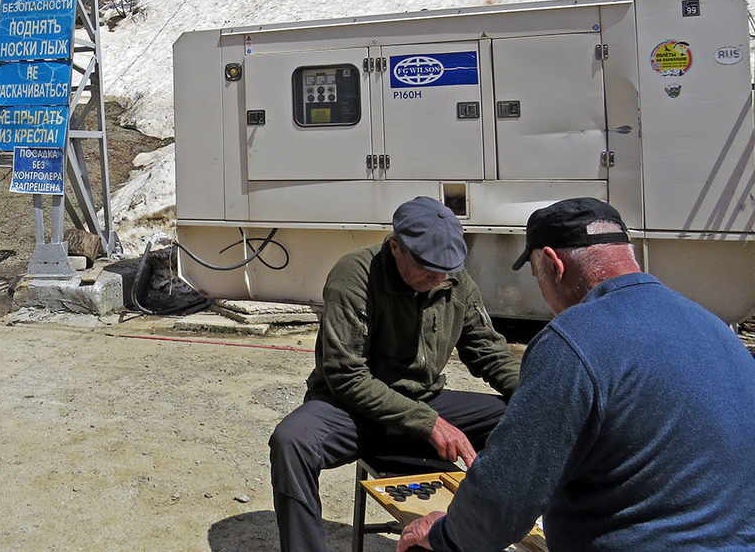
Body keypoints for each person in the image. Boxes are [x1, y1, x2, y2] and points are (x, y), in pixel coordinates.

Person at [397, 197, 755, 552]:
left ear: (553, 265)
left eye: (536, 276)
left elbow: (501, 502)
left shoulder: (574, 339)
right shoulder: (714, 329)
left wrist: (444, 534)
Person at [270, 196, 521, 552]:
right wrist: (429, 423)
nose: (437, 280)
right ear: (395, 247)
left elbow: (487, 348)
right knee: (291, 441)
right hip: (352, 411)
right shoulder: (353, 275)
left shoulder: (453, 278)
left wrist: (533, 397)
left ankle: (481, 529)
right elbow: (345, 375)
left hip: (425, 401)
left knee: (522, 418)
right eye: (428, 269)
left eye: (445, 271)